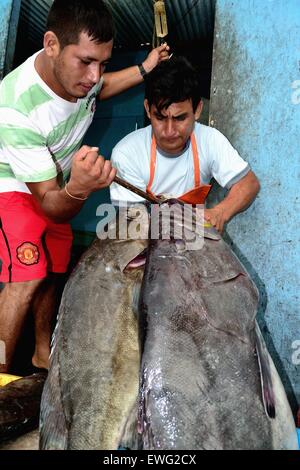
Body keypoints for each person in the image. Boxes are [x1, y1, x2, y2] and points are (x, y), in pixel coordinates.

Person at [0, 0, 169, 373]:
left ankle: (41, 354)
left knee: (54, 266)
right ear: (51, 44)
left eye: (102, 63)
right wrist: (79, 188)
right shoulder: (15, 108)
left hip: (54, 180)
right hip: (14, 183)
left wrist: (144, 67)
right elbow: (50, 204)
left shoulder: (80, 78)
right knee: (26, 277)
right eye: (86, 61)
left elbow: (101, 88)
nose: (94, 76)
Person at [110, 56, 260, 231]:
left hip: (195, 237)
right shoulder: (127, 153)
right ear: (147, 109)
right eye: (160, 117)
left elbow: (248, 184)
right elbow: (134, 223)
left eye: (180, 118)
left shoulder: (210, 140)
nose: (169, 131)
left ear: (197, 110)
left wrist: (220, 212)